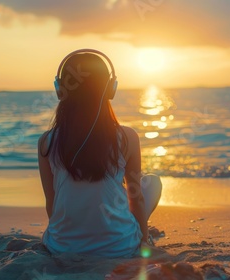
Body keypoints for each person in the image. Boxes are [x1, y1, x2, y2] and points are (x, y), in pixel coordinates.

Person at [37, 49, 162, 258]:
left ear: (60, 90)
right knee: (153, 183)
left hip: (62, 249)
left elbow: (52, 203)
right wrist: (142, 241)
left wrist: (63, 240)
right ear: (111, 89)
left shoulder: (46, 142)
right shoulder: (127, 137)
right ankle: (129, 232)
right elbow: (136, 198)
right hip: (119, 248)